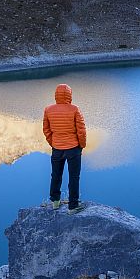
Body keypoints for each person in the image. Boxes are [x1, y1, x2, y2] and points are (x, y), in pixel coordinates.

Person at [42, 83, 87, 213]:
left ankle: (55, 202)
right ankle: (73, 206)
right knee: (74, 177)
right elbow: (81, 131)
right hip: (73, 148)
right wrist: (81, 145)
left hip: (57, 148)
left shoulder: (48, 109)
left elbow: (46, 130)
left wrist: (53, 143)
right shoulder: (74, 109)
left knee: (55, 175)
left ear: (56, 95)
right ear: (69, 95)